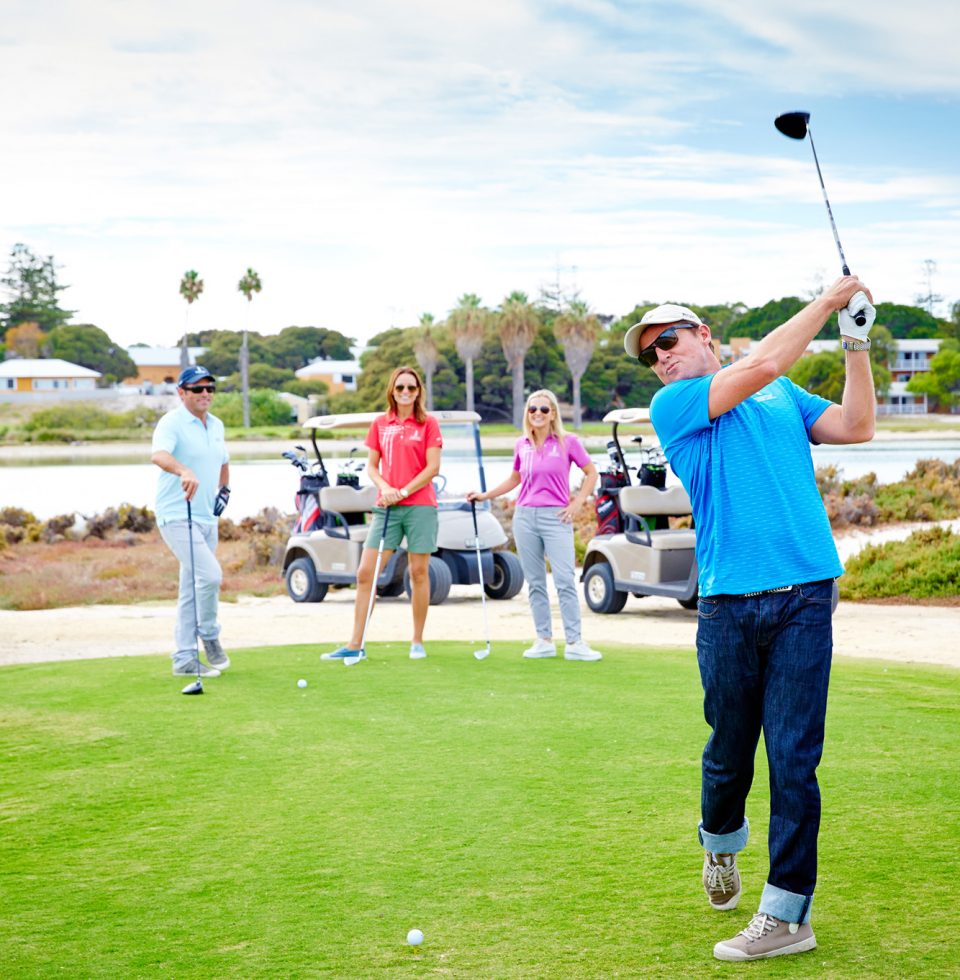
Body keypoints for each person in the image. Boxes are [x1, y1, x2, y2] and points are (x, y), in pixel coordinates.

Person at [624, 277, 877, 961]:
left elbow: (857, 427)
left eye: (668, 342)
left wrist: (855, 340)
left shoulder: (782, 395)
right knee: (729, 752)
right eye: (651, 354)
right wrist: (826, 304)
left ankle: (788, 914)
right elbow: (762, 363)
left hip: (805, 597)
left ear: (701, 333)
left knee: (795, 759)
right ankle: (720, 842)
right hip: (729, 604)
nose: (662, 358)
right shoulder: (675, 403)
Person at [467, 389, 602, 662]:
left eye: (543, 409)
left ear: (552, 414)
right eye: (532, 409)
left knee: (564, 580)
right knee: (536, 582)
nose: (537, 414)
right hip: (525, 516)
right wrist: (484, 496)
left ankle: (575, 642)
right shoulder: (522, 445)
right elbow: (514, 479)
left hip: (557, 517)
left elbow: (591, 473)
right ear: (527, 414)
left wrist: (576, 504)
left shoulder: (568, 442)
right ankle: (544, 640)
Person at [323, 365, 442, 662]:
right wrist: (387, 488)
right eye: (400, 387)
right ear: (392, 390)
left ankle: (417, 640)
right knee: (366, 573)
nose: (405, 393)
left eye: (411, 388)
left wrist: (402, 491)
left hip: (420, 507)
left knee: (418, 572)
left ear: (418, 392)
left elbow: (432, 468)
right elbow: (372, 467)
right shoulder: (380, 424)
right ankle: (355, 644)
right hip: (386, 506)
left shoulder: (428, 424)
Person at [151, 365, 231, 678]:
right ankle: (209, 634)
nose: (205, 394)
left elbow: (224, 459)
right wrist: (184, 470)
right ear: (182, 393)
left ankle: (184, 658)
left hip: (206, 516)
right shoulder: (171, 422)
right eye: (197, 389)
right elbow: (159, 455)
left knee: (191, 589)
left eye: (210, 388)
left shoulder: (217, 425)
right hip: (176, 514)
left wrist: (225, 490)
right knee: (210, 576)